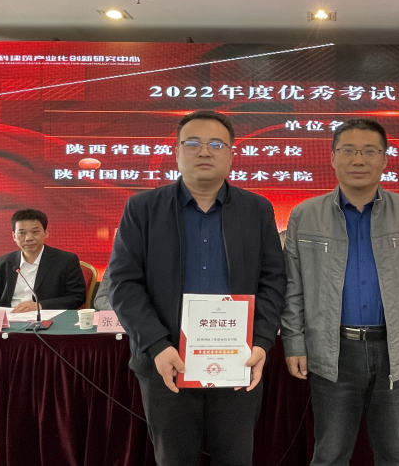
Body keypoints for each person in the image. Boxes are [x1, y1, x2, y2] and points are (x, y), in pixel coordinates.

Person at [108, 110, 286, 466]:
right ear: (176, 152)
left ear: (231, 154)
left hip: (238, 360)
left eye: (216, 144)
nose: (204, 151)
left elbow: (273, 280)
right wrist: (157, 345)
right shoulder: (142, 208)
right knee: (174, 459)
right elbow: (123, 283)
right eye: (193, 143)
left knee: (236, 459)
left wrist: (261, 341)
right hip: (167, 362)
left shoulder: (257, 209)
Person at [281, 118, 399, 466]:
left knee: (395, 455)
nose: (358, 160)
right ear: (332, 157)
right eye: (348, 150)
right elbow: (293, 288)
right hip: (331, 351)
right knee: (329, 455)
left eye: (369, 151)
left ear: (385, 159)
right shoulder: (304, 216)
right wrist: (294, 342)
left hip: (397, 350)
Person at [0, 209, 86, 312]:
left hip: (46, 320)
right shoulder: (1, 263)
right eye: (22, 233)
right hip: (9, 319)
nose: (28, 238)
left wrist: (40, 306)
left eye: (35, 232)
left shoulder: (65, 260)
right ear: (14, 236)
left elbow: (77, 297)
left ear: (46, 233)